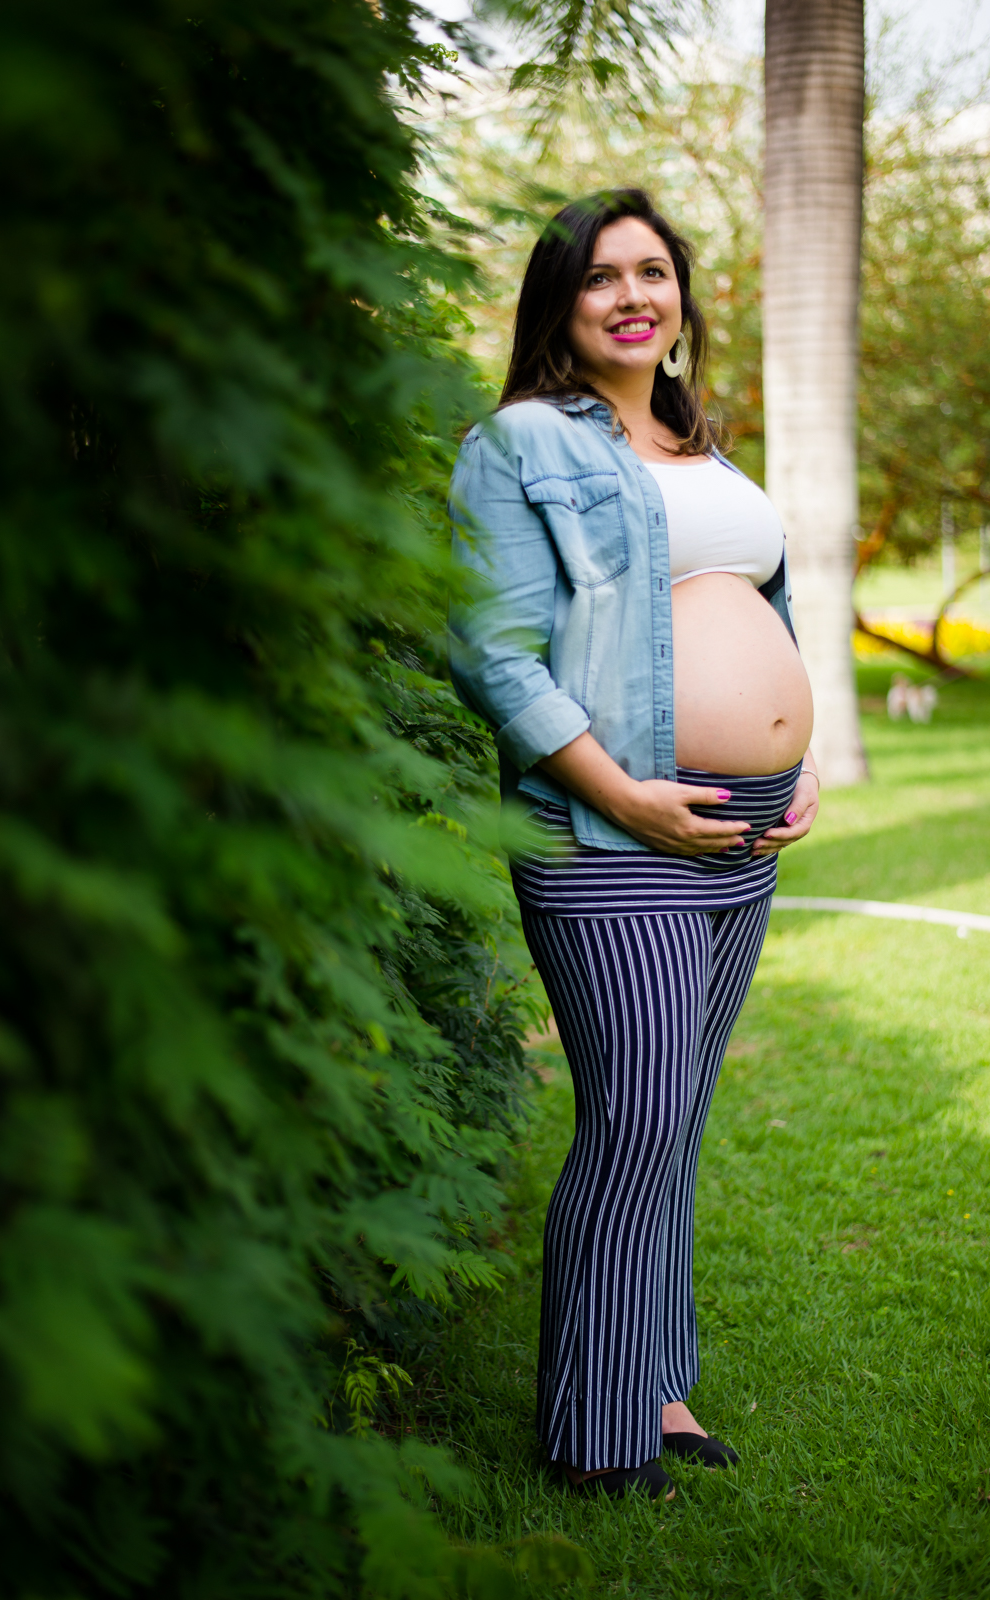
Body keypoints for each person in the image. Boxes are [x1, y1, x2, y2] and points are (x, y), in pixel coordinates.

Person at [448, 188, 820, 1503]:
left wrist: (799, 752)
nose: (631, 295)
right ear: (560, 304)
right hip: (614, 835)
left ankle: (654, 1389)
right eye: (600, 277)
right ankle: (595, 1435)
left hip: (742, 835)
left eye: (652, 271)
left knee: (675, 1125)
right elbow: (494, 654)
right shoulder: (520, 446)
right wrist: (628, 795)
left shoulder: (701, 450)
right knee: (634, 1119)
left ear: (680, 297)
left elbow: (755, 599)